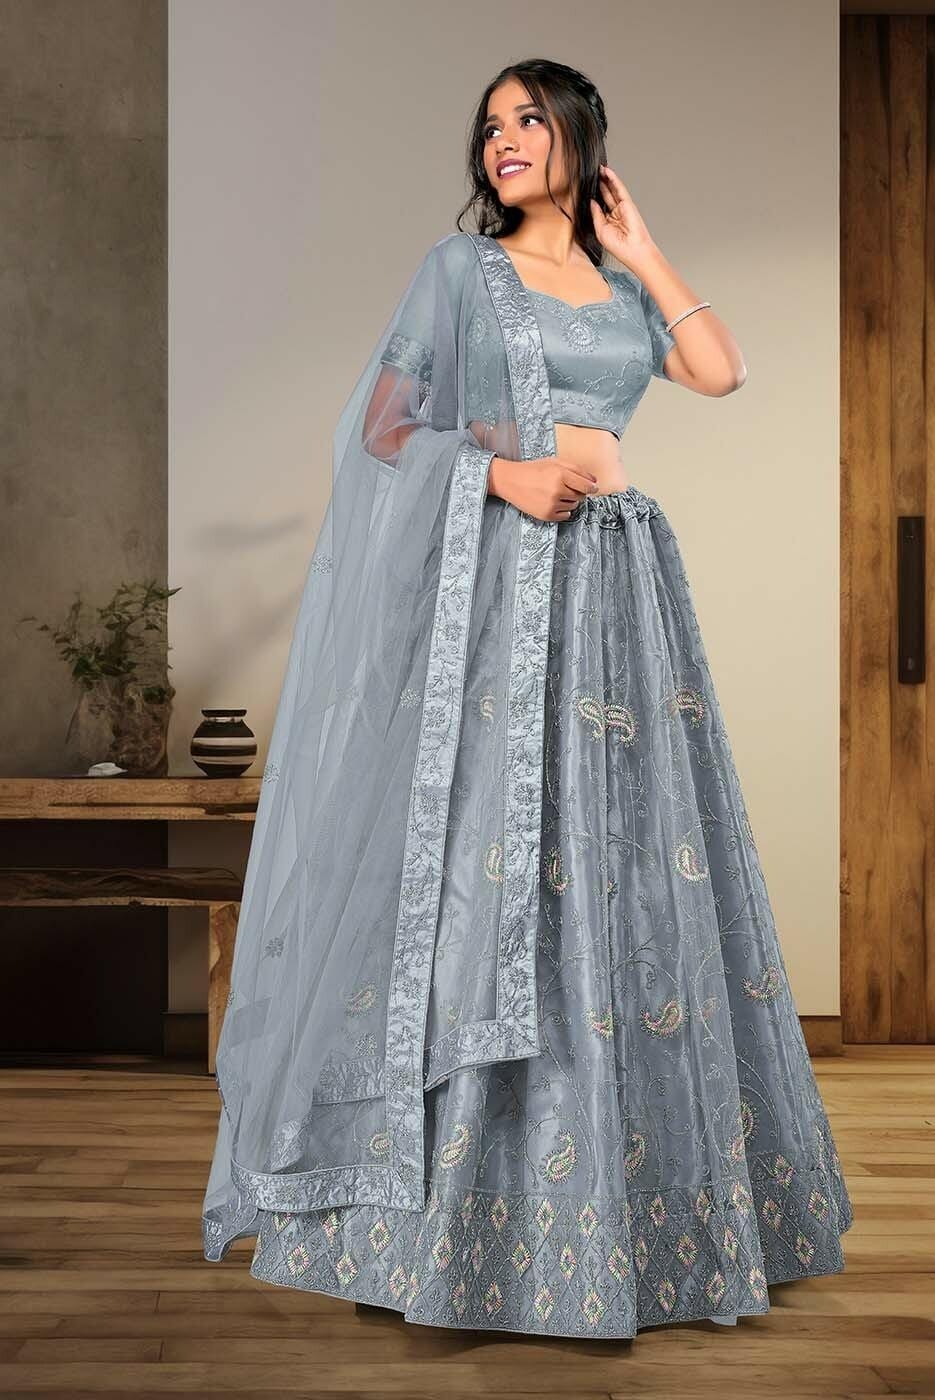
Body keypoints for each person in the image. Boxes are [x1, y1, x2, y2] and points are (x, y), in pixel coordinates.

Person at [201, 57, 853, 1341]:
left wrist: (643, 245)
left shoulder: (620, 287)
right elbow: (381, 433)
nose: (502, 139)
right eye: (491, 124)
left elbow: (718, 369)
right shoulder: (461, 272)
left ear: (580, 139)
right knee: (495, 861)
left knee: (625, 863)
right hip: (506, 588)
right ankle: (448, 1220)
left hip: (621, 587)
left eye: (529, 120)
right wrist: (501, 477)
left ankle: (634, 1205)